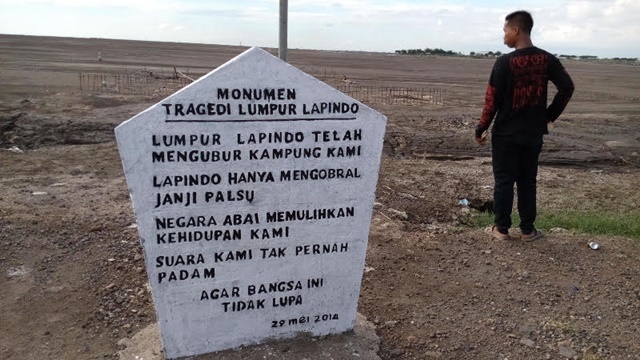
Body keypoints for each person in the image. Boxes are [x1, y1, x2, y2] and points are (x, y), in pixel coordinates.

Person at [475, 10, 574, 241]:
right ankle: (528, 230)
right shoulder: (548, 59)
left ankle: (501, 229)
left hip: (505, 133)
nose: (503, 36)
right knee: (528, 180)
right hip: (533, 132)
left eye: (505, 31)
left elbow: (492, 100)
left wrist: (481, 128)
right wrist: (548, 116)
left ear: (516, 30)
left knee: (504, 180)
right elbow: (567, 88)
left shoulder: (503, 63)